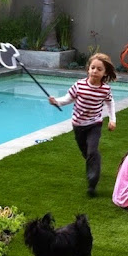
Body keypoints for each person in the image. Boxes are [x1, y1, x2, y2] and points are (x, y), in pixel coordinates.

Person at [48, 53, 117, 197]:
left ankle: (92, 182)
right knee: (86, 152)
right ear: (88, 69)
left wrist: (112, 119)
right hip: (78, 125)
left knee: (92, 151)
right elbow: (68, 98)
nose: (95, 71)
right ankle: (94, 162)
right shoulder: (79, 85)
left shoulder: (105, 89)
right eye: (93, 68)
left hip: (94, 124)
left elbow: (110, 103)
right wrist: (57, 101)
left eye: (99, 69)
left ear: (105, 73)